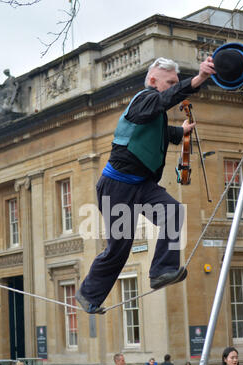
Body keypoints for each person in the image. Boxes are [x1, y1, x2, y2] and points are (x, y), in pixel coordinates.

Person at [75, 55, 215, 314]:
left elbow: (157, 135)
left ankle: (162, 271)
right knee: (119, 249)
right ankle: (88, 295)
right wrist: (198, 79)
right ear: (153, 80)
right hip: (118, 186)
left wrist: (180, 132)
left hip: (143, 186)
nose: (174, 85)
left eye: (177, 81)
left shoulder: (155, 112)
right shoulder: (144, 99)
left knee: (173, 212)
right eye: (170, 81)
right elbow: (163, 100)